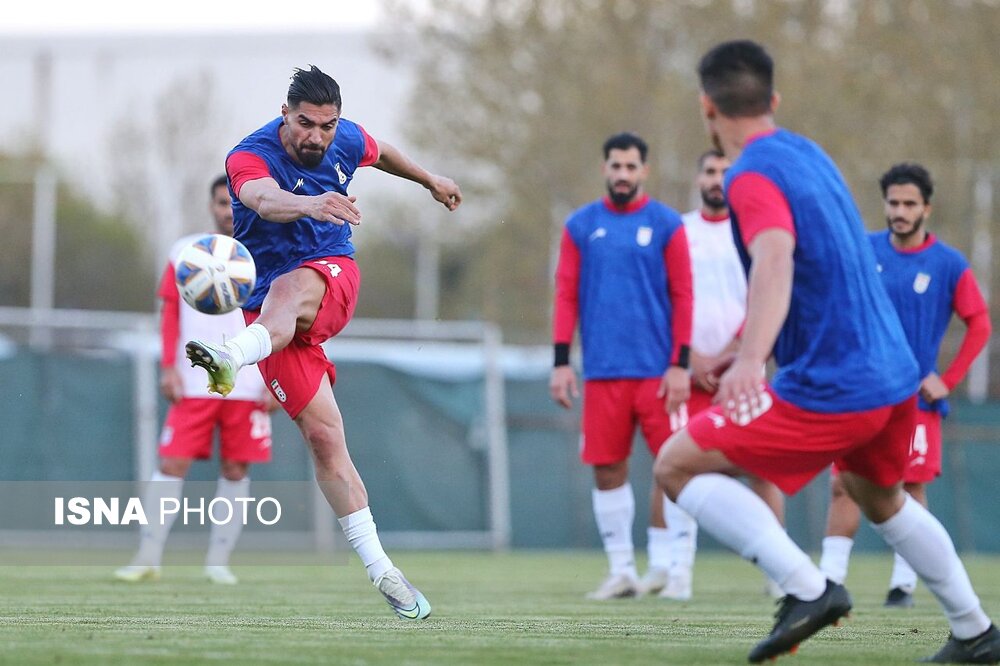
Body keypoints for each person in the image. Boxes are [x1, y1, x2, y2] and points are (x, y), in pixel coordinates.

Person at [653, 40, 1000, 663]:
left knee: (675, 465)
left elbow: (777, 256)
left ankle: (808, 589)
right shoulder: (808, 153)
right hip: (893, 372)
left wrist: (753, 357)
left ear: (706, 107)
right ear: (774, 101)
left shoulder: (752, 175)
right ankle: (976, 631)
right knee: (881, 498)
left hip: (834, 382)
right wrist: (753, 348)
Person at [184, 66, 461, 620]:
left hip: (330, 275)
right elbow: (262, 200)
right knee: (324, 438)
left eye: (327, 126)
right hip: (268, 318)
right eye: (306, 123)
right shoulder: (249, 155)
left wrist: (430, 180)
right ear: (285, 113)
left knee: (291, 288)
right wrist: (311, 203)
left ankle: (229, 358)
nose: (316, 136)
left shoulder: (346, 137)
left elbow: (381, 154)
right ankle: (386, 572)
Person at [820, 162, 992, 608]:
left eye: (909, 204)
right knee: (844, 484)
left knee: (908, 488)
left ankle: (904, 587)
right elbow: (837, 308)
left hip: (915, 400)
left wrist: (948, 379)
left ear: (926, 209)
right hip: (861, 395)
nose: (899, 211)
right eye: (893, 202)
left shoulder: (948, 263)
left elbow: (979, 324)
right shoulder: (864, 250)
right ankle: (828, 581)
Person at [549, 131, 693, 600]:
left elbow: (684, 295)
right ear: (605, 168)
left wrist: (680, 364)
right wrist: (562, 362)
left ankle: (672, 569)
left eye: (632, 167)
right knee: (607, 469)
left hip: (657, 374)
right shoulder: (581, 225)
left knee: (677, 467)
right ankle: (623, 572)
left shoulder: (668, 224)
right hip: (605, 373)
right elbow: (566, 294)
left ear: (643, 171)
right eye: (616, 166)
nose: (623, 174)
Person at [115, 175, 274, 585]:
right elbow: (169, 311)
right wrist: (168, 366)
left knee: (236, 469)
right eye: (222, 203)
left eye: (234, 204)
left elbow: (286, 318)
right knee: (171, 463)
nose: (228, 211)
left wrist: (276, 379)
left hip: (251, 381)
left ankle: (218, 563)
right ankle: (148, 556)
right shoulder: (185, 252)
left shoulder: (271, 253)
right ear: (212, 206)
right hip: (194, 378)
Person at [671, 149, 787, 600]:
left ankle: (780, 573)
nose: (717, 179)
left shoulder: (754, 233)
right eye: (710, 170)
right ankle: (678, 572)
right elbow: (670, 296)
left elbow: (769, 293)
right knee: (674, 465)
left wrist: (739, 352)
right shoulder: (679, 230)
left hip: (744, 371)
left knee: (761, 471)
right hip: (691, 372)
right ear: (698, 177)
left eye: (725, 172)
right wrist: (691, 356)